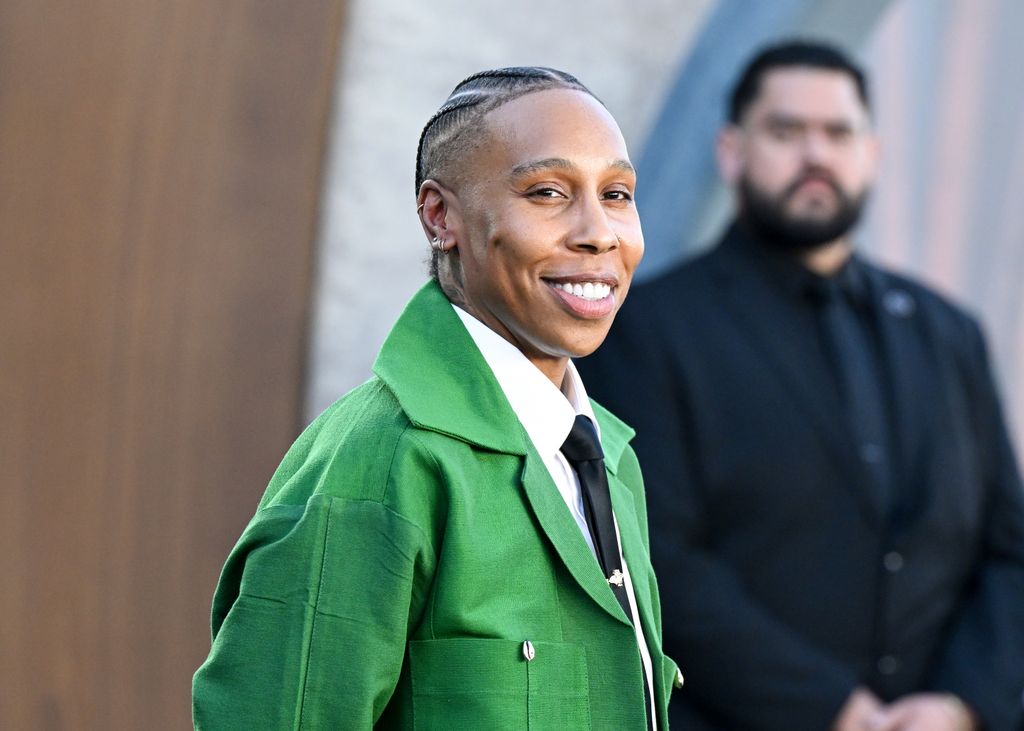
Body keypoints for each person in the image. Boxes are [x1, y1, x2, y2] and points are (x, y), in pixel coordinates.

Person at [192, 66, 683, 730]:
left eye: (617, 193)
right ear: (440, 215)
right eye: (546, 191)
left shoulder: (608, 457)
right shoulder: (383, 458)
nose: (598, 232)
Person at [579, 41, 1024, 731]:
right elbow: (652, 557)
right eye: (786, 132)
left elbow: (1008, 549)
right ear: (731, 152)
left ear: (871, 153)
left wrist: (960, 705)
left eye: (838, 132)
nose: (816, 154)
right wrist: (832, 708)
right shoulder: (649, 330)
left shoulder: (949, 333)